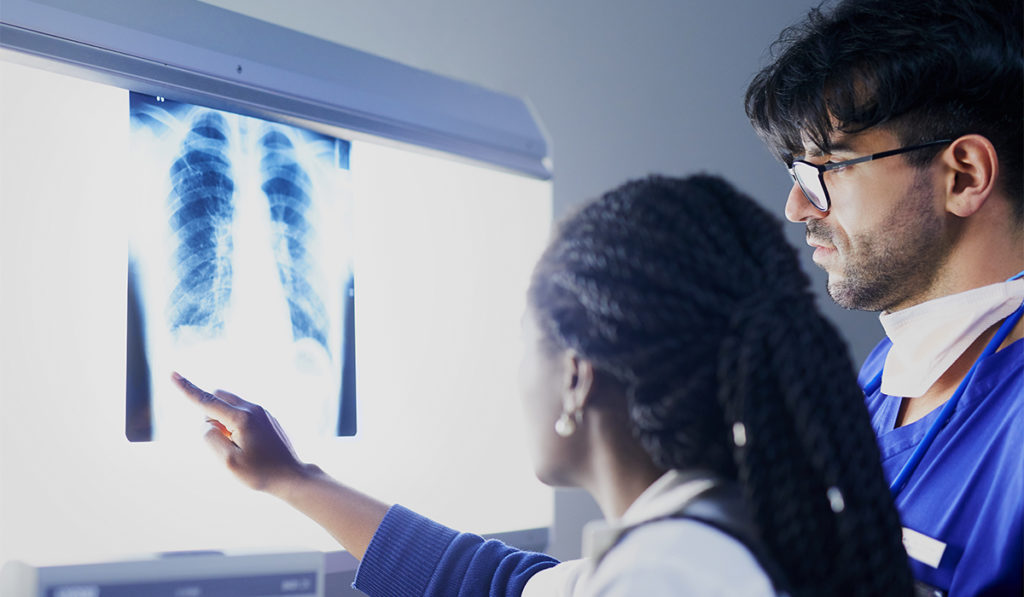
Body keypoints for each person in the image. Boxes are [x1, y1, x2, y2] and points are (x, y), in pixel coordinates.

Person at [173, 174, 914, 596]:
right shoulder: (718, 529)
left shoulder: (675, 573)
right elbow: (494, 583)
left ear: (574, 374)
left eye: (521, 342)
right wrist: (293, 479)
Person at [744, 0, 1023, 595]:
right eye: (798, 174)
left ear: (964, 175)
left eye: (829, 168)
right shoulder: (887, 375)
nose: (797, 207)